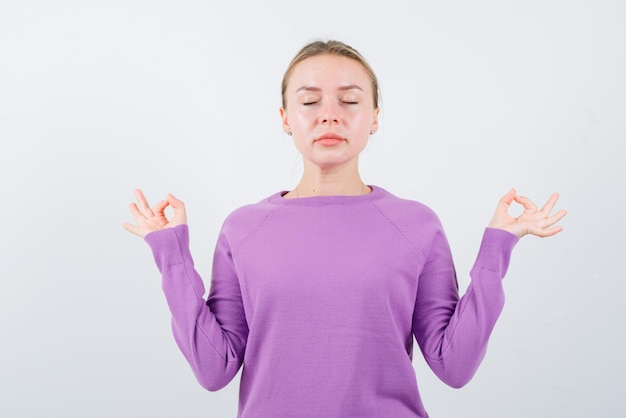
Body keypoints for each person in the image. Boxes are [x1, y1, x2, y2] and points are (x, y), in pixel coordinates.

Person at [123, 40, 566, 417]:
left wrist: (497, 248)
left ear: (374, 117)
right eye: (310, 101)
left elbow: (454, 365)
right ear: (284, 118)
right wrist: (171, 254)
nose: (330, 115)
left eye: (350, 101)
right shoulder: (244, 229)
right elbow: (213, 368)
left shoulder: (416, 225)